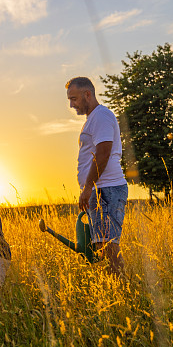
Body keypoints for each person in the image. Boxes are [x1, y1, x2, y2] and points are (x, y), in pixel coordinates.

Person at [66, 76, 127, 277]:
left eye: (74, 99)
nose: (71, 104)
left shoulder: (101, 116)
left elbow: (103, 153)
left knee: (108, 246)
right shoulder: (93, 119)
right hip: (100, 190)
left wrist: (88, 187)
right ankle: (114, 291)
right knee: (102, 245)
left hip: (106, 189)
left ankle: (122, 290)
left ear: (87, 94)